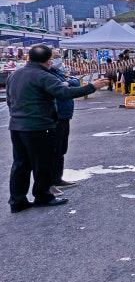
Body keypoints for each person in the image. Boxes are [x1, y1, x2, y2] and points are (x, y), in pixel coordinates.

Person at [7, 44, 108, 213]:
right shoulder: (43, 76)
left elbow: (10, 100)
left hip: (17, 126)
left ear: (28, 58)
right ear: (47, 61)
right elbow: (65, 93)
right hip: (39, 126)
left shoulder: (15, 75)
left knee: (20, 164)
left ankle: (17, 201)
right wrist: (93, 87)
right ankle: (43, 196)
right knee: (43, 163)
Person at [48, 50, 81, 195]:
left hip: (65, 115)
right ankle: (49, 183)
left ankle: (57, 178)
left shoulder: (58, 73)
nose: (58, 60)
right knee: (53, 150)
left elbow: (75, 81)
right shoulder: (47, 75)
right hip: (55, 116)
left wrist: (67, 82)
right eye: (55, 57)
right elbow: (62, 89)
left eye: (59, 57)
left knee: (61, 149)